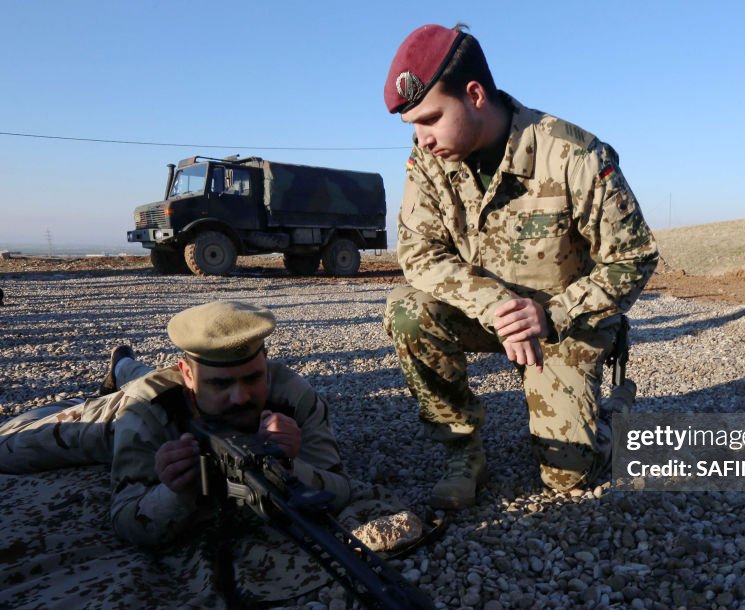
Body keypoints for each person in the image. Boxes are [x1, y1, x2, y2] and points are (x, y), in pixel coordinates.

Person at [382, 24, 659, 508]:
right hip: (492, 316)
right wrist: (498, 307)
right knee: (407, 311)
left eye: (430, 119)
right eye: (413, 128)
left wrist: (551, 315)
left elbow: (633, 258)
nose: (422, 139)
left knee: (568, 480)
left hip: (563, 323)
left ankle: (611, 417)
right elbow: (419, 252)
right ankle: (462, 453)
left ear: (474, 95)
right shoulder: (427, 162)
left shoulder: (574, 155)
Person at [1, 300, 354, 545]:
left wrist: (293, 467)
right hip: (118, 415)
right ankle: (109, 384)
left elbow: (339, 486)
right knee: (10, 448)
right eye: (220, 384)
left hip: (171, 387)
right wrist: (172, 493)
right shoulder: (145, 410)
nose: (240, 397)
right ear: (188, 373)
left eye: (252, 378)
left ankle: (123, 366)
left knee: (150, 378)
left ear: (265, 361)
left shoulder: (295, 395)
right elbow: (127, 520)